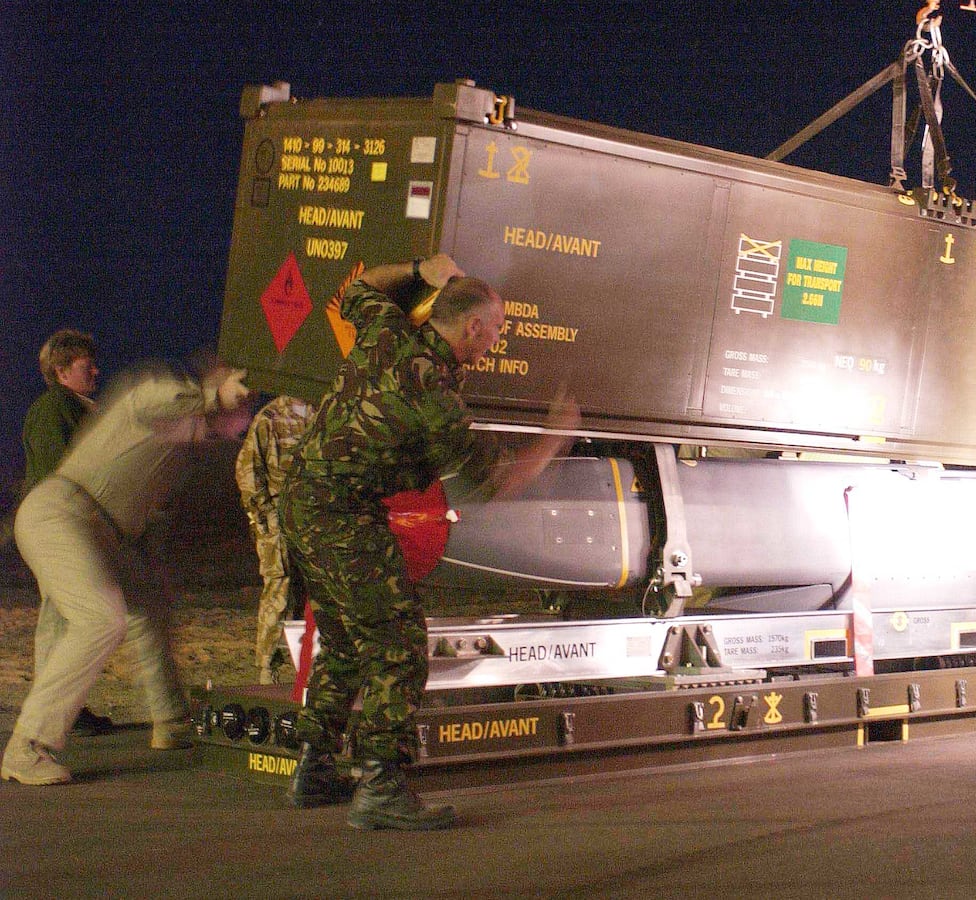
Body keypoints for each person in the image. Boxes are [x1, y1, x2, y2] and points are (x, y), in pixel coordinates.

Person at [282, 253, 576, 830]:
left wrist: (421, 268)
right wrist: (555, 439)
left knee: (346, 641)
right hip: (344, 512)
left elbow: (360, 287)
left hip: (303, 501)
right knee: (398, 645)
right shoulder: (433, 392)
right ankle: (382, 789)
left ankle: (315, 768)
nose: (496, 341)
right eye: (496, 330)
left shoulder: (388, 331)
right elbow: (494, 481)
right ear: (471, 327)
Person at [1, 362, 252, 785]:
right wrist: (212, 394)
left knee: (150, 600)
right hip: (63, 513)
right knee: (101, 619)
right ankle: (27, 746)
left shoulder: (187, 441)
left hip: (102, 533)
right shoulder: (158, 398)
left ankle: (170, 720)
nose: (235, 424)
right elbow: (150, 398)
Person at [20, 328, 116, 738]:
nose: (95, 370)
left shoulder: (74, 407)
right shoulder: (54, 409)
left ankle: (64, 709)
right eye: (84, 366)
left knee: (63, 618)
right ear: (60, 372)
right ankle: (55, 716)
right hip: (60, 527)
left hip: (67, 526)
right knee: (64, 619)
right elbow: (59, 471)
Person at [235, 394, 313, 685]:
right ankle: (267, 664)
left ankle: (305, 662)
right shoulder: (270, 417)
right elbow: (247, 469)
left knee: (307, 591)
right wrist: (263, 513)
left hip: (308, 517)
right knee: (279, 587)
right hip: (278, 517)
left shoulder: (317, 413)